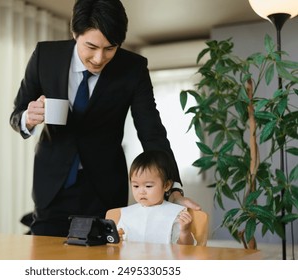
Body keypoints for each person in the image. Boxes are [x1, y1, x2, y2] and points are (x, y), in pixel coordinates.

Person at [10, 0, 199, 237]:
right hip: (52, 187)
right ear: (74, 33)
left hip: (104, 189)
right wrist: (29, 117)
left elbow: (152, 132)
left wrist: (174, 192)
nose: (99, 58)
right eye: (91, 47)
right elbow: (17, 114)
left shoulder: (133, 68)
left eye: (110, 48)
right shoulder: (45, 56)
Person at [107, 150, 194, 245]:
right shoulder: (126, 214)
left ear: (166, 185)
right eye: (136, 186)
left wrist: (185, 232)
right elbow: (118, 244)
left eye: (148, 186)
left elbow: (185, 250)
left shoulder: (175, 214)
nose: (141, 191)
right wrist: (118, 239)